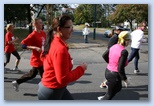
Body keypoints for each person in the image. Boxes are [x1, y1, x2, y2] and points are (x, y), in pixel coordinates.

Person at [38, 15, 87, 100]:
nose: (72, 29)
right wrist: (81, 69)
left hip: (55, 88)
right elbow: (63, 79)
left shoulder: (53, 41)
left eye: (72, 26)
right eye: (69, 27)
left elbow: (45, 60)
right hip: (52, 91)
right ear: (59, 29)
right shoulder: (60, 49)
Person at [11, 18, 46, 92]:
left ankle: (17, 82)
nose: (41, 24)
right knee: (45, 77)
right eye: (40, 23)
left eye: (41, 22)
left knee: (32, 74)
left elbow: (45, 44)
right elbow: (23, 45)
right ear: (35, 24)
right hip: (37, 59)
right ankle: (46, 92)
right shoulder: (32, 35)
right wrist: (34, 47)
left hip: (43, 58)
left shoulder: (43, 33)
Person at [98, 31, 130, 100]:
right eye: (128, 40)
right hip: (114, 75)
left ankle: (104, 96)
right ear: (125, 40)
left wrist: (111, 63)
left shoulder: (114, 46)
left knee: (117, 88)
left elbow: (104, 55)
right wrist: (125, 79)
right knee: (110, 94)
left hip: (108, 71)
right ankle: (103, 99)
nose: (129, 42)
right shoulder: (124, 51)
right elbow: (120, 68)